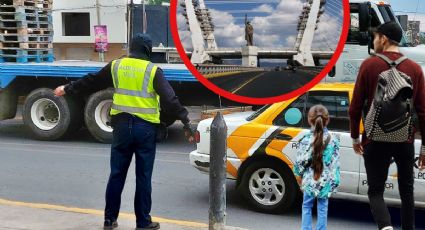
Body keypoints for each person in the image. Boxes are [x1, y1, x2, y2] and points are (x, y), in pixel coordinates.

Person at [54, 33, 195, 230]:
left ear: (131, 49)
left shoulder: (116, 65)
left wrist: (68, 88)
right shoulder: (153, 70)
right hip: (145, 130)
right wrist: (186, 121)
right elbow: (170, 100)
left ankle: (109, 220)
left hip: (121, 128)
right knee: (143, 177)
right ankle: (143, 222)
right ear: (148, 50)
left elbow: (92, 81)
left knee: (117, 174)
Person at [349, 21, 425, 230]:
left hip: (374, 137)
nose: (374, 42)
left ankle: (386, 227)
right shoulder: (415, 69)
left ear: (383, 38)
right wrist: (424, 148)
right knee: (406, 191)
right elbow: (422, 111)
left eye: (375, 37)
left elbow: (355, 107)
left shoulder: (368, 65)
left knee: (375, 191)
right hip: (404, 139)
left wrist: (355, 137)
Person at [294, 105, 340, 230]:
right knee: (323, 207)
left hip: (309, 179)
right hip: (325, 181)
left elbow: (300, 164)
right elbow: (335, 165)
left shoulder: (306, 139)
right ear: (328, 119)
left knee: (307, 206)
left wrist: (299, 178)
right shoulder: (334, 139)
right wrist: (334, 182)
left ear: (309, 120)